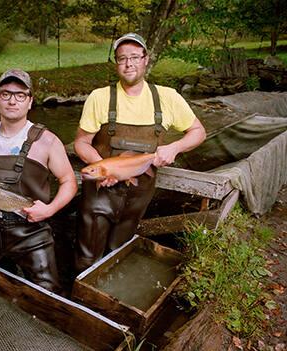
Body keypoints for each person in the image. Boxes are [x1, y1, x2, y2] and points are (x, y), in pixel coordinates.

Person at [74, 33, 206, 272]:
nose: (129, 63)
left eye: (135, 57)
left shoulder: (167, 97)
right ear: (116, 63)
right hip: (100, 192)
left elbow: (198, 131)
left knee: (120, 250)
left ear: (146, 59)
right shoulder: (100, 97)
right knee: (88, 254)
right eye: (122, 58)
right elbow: (81, 143)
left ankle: (109, 297)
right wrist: (103, 168)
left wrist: (174, 147)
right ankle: (80, 298)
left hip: (138, 195)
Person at [0, 69, 77, 293]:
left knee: (48, 295)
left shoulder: (46, 141)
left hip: (32, 234)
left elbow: (69, 181)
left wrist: (49, 210)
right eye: (6, 94)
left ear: (30, 101)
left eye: (20, 95)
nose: (12, 101)